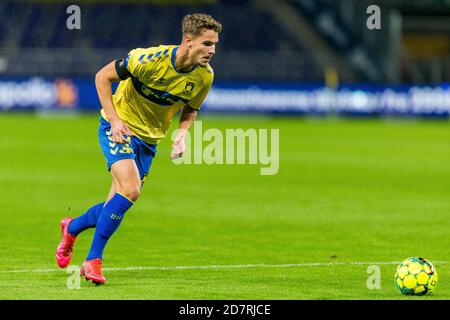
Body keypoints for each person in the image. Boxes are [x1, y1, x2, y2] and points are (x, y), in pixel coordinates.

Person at [55, 13, 222, 285]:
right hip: (118, 127)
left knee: (116, 204)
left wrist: (181, 134)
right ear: (188, 41)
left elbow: (191, 109)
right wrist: (115, 119)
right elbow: (101, 77)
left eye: (214, 44)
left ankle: (71, 228)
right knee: (131, 189)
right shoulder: (148, 60)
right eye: (206, 43)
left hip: (149, 141)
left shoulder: (204, 77)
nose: (212, 50)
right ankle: (92, 261)